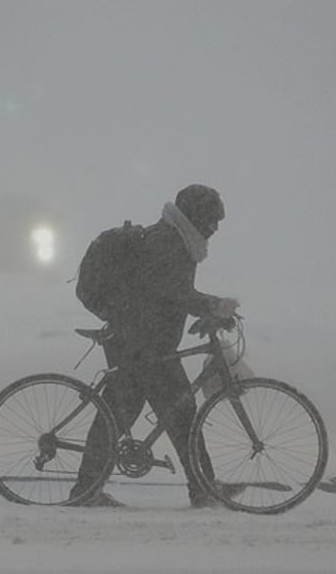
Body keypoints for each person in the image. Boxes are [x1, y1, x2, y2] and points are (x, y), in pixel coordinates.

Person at [68, 184, 241, 508]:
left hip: (144, 343)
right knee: (174, 416)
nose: (214, 228)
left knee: (132, 417)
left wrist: (206, 311)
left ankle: (87, 489)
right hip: (142, 346)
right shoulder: (169, 243)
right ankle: (202, 489)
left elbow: (169, 295)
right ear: (195, 217)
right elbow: (173, 290)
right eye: (211, 220)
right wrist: (213, 305)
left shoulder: (178, 240)